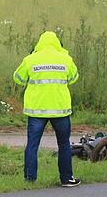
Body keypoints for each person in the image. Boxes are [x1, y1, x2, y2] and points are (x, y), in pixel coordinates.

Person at [13, 31, 80, 187]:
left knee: (32, 145)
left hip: (36, 111)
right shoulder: (66, 59)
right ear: (57, 43)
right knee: (64, 144)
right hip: (60, 110)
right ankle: (66, 179)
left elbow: (18, 78)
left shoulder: (30, 60)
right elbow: (74, 77)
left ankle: (30, 179)